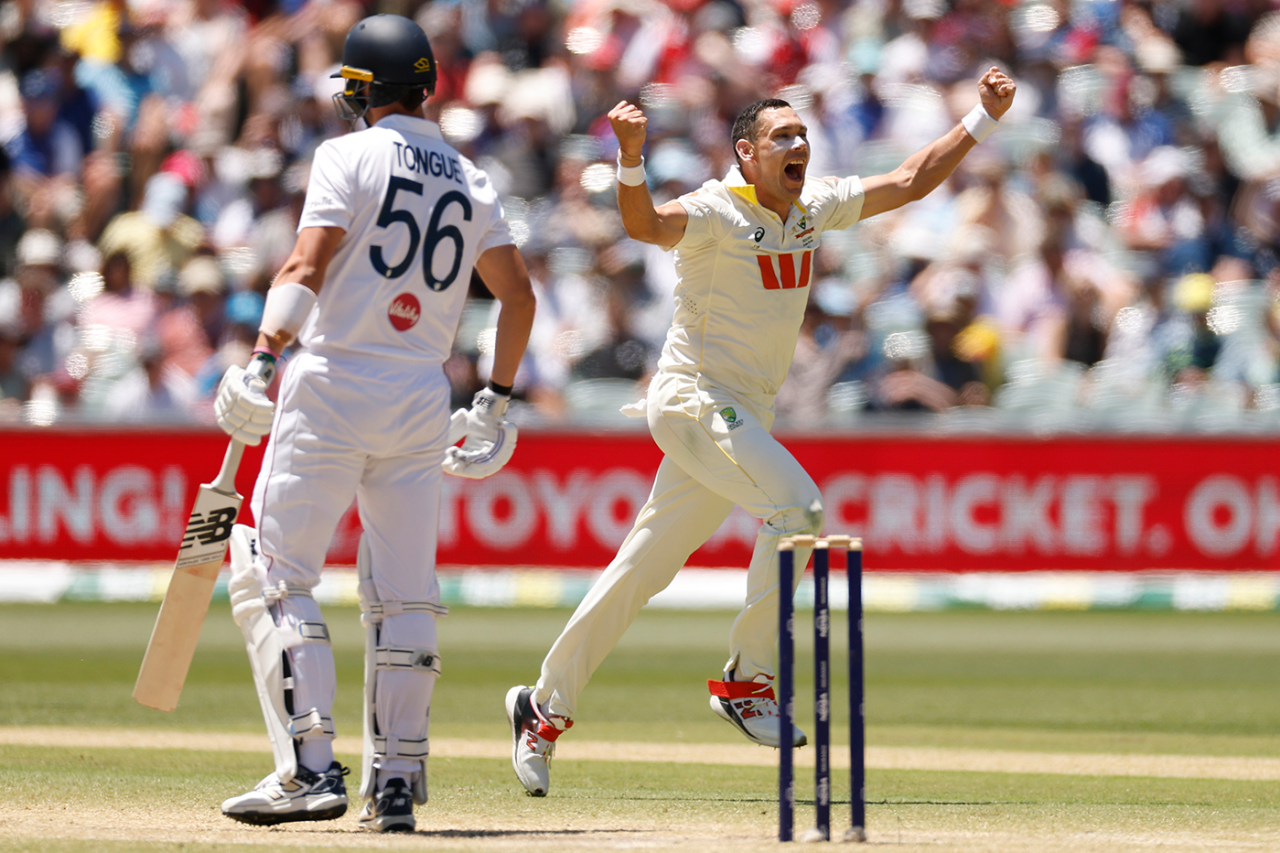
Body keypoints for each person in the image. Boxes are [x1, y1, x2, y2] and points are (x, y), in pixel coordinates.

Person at [505, 67, 1015, 797]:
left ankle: (541, 707)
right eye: (782, 137)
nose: (799, 145)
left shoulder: (812, 206)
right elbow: (645, 227)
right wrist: (630, 156)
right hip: (694, 398)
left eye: (802, 134)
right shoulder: (718, 209)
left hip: (742, 412)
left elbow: (909, 180)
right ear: (746, 153)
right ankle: (747, 681)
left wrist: (983, 118)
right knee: (799, 509)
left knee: (639, 569)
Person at [212, 14, 535, 832]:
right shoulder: (472, 177)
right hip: (422, 392)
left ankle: (309, 768)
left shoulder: (346, 155)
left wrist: (262, 356)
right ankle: (397, 780)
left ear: (363, 89)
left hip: (332, 381)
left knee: (271, 570)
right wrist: (495, 398)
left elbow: (306, 262)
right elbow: (519, 296)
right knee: (404, 591)